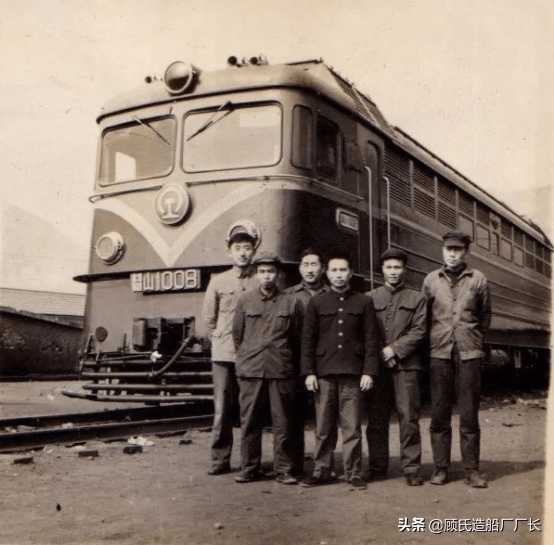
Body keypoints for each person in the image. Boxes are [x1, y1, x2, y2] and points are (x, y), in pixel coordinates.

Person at [301, 251, 381, 489]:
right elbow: (308, 340)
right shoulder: (316, 303)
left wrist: (368, 372)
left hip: (352, 374)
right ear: (327, 273)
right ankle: (322, 470)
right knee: (324, 428)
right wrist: (309, 372)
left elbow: (371, 340)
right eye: (334, 270)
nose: (338, 275)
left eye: (343, 270)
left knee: (352, 427)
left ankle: (353, 472)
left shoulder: (363, 301)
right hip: (323, 374)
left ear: (350, 273)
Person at [422, 231, 491, 488]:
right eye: (448, 249)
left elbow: (485, 317)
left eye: (458, 250)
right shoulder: (431, 280)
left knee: (469, 414)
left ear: (466, 252)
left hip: (469, 354)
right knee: (439, 413)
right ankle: (441, 468)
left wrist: (471, 339)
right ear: (442, 250)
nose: (452, 254)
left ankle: (471, 470)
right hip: (439, 353)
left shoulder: (478, 279)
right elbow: (425, 318)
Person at [232, 252, 303, 485]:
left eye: (270, 272)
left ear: (278, 274)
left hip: (280, 369)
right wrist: (248, 357)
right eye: (262, 272)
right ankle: (249, 468)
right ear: (255, 274)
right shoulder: (244, 300)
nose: (266, 276)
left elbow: (297, 337)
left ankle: (283, 469)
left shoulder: (291, 301)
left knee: (282, 421)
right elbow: (238, 335)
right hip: (251, 369)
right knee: (250, 420)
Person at [202, 221, 260, 475]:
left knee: (250, 411)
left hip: (253, 354)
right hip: (224, 355)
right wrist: (220, 339)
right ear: (230, 252)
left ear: (253, 251)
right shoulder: (218, 281)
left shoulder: (261, 281)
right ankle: (219, 461)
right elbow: (209, 318)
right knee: (222, 410)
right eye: (238, 248)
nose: (243, 253)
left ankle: (250, 463)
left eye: (247, 248)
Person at [365, 249, 427, 486]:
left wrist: (394, 350)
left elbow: (419, 331)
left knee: (409, 417)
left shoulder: (417, 298)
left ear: (405, 269)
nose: (393, 272)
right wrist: (383, 352)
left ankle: (411, 469)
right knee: (377, 419)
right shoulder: (369, 298)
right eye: (389, 267)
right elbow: (367, 332)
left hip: (406, 367)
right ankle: (378, 467)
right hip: (378, 369)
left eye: (397, 267)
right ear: (382, 269)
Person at [285, 247, 329, 477]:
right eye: (305, 265)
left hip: (324, 364)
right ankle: (293, 466)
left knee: (324, 419)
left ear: (322, 268)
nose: (310, 269)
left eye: (314, 265)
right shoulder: (289, 296)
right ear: (299, 268)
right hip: (295, 365)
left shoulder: (332, 294)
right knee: (294, 417)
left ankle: (323, 467)